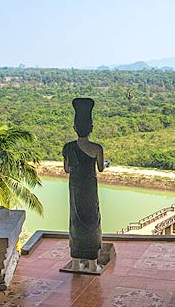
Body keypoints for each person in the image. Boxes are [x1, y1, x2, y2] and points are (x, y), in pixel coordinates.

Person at [63, 97, 106, 273]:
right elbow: (101, 168)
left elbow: (66, 169)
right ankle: (92, 265)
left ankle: (75, 263)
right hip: (90, 188)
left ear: (74, 128)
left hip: (74, 188)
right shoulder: (97, 148)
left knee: (76, 221)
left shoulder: (68, 147)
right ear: (91, 128)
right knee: (92, 221)